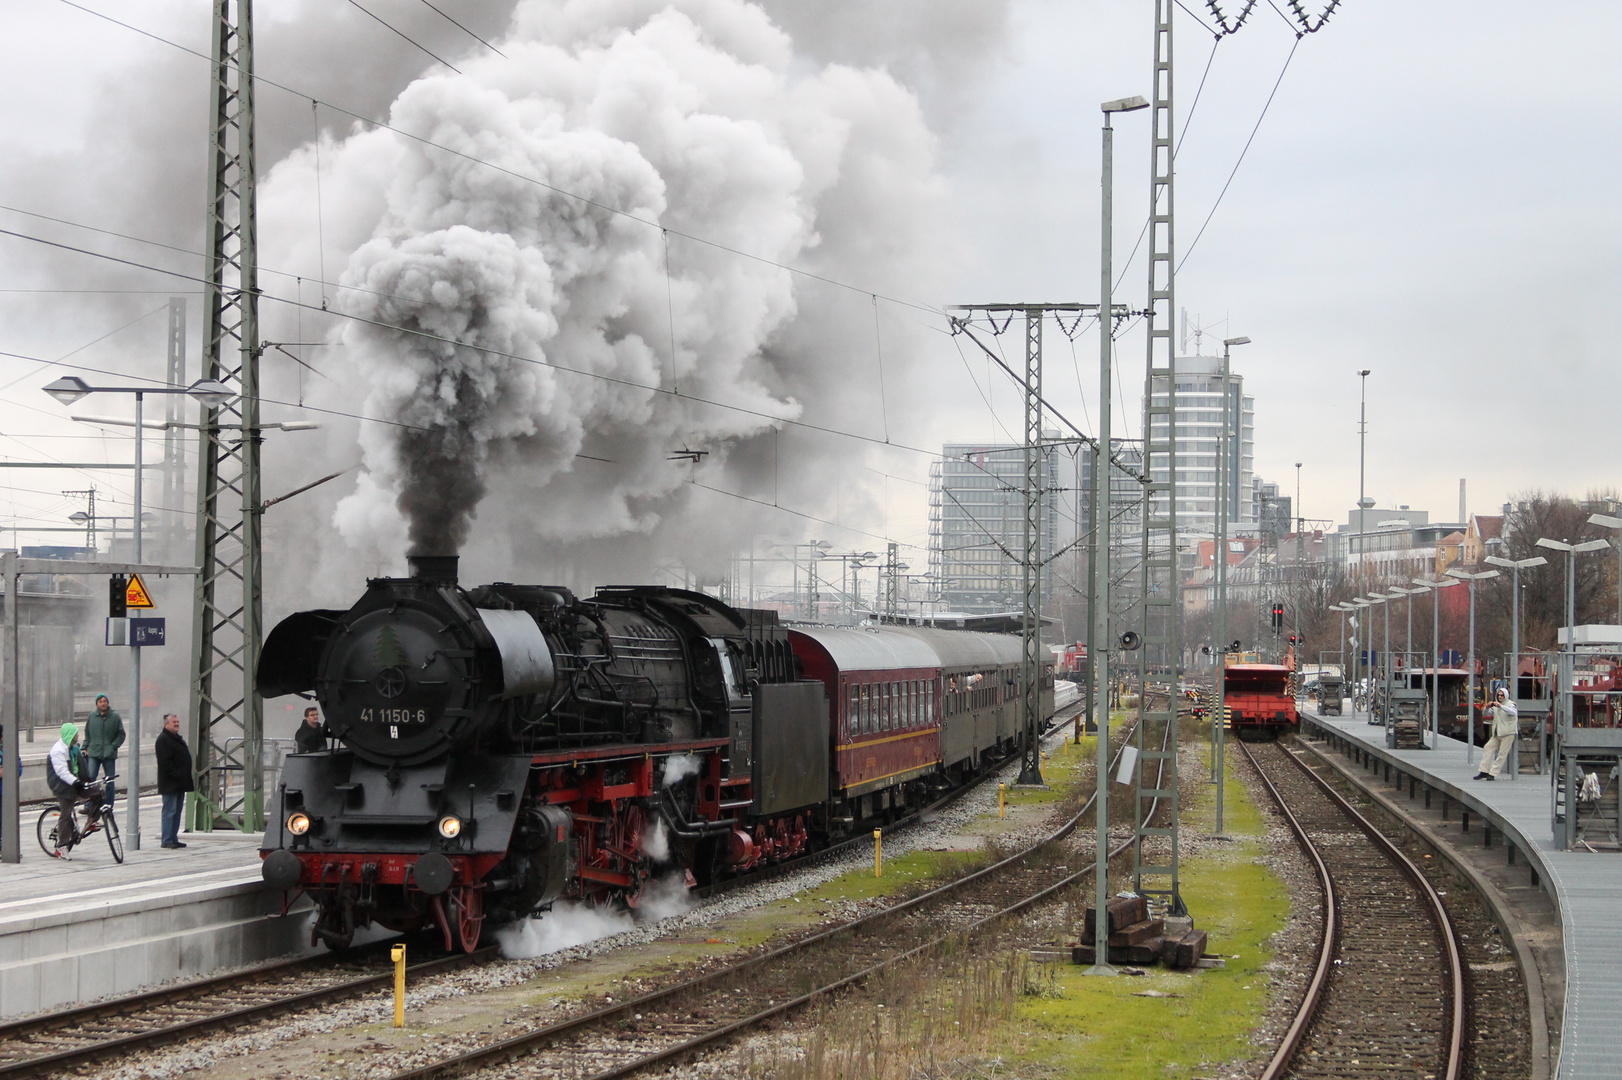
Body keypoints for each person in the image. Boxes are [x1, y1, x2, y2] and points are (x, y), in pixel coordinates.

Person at [45, 722, 93, 852]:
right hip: (60, 784)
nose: (78, 736)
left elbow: (81, 767)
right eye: (76, 734)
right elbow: (62, 772)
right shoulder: (58, 751)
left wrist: (87, 781)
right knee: (66, 813)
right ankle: (61, 845)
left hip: (73, 781)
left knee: (98, 793)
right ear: (70, 735)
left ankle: (93, 820)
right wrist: (76, 782)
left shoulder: (74, 748)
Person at [155, 713, 194, 849]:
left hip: (179, 783)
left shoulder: (176, 738)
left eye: (178, 721)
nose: (177, 724)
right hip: (170, 783)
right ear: (167, 724)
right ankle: (167, 839)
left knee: (176, 812)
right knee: (169, 811)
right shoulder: (163, 739)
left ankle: (173, 837)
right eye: (174, 722)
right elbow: (165, 763)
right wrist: (177, 774)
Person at [83, 693, 125, 813]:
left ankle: (108, 806)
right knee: (91, 780)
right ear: (97, 704)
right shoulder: (92, 717)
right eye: (100, 701)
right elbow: (88, 734)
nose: (103, 703)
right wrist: (84, 747)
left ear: (108, 703)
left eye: (104, 701)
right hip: (94, 753)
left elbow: (121, 734)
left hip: (109, 754)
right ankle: (89, 805)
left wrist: (113, 747)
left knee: (110, 781)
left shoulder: (115, 717)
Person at [1476, 688, 1520, 781]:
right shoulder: (1495, 706)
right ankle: (1484, 771)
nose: (1500, 697)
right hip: (1497, 733)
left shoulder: (1511, 704)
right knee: (1488, 748)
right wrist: (1487, 707)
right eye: (1499, 695)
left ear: (1506, 696)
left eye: (1502, 695)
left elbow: (1513, 712)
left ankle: (1492, 773)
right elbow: (1486, 714)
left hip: (1508, 733)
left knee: (1502, 754)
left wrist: (1500, 706)